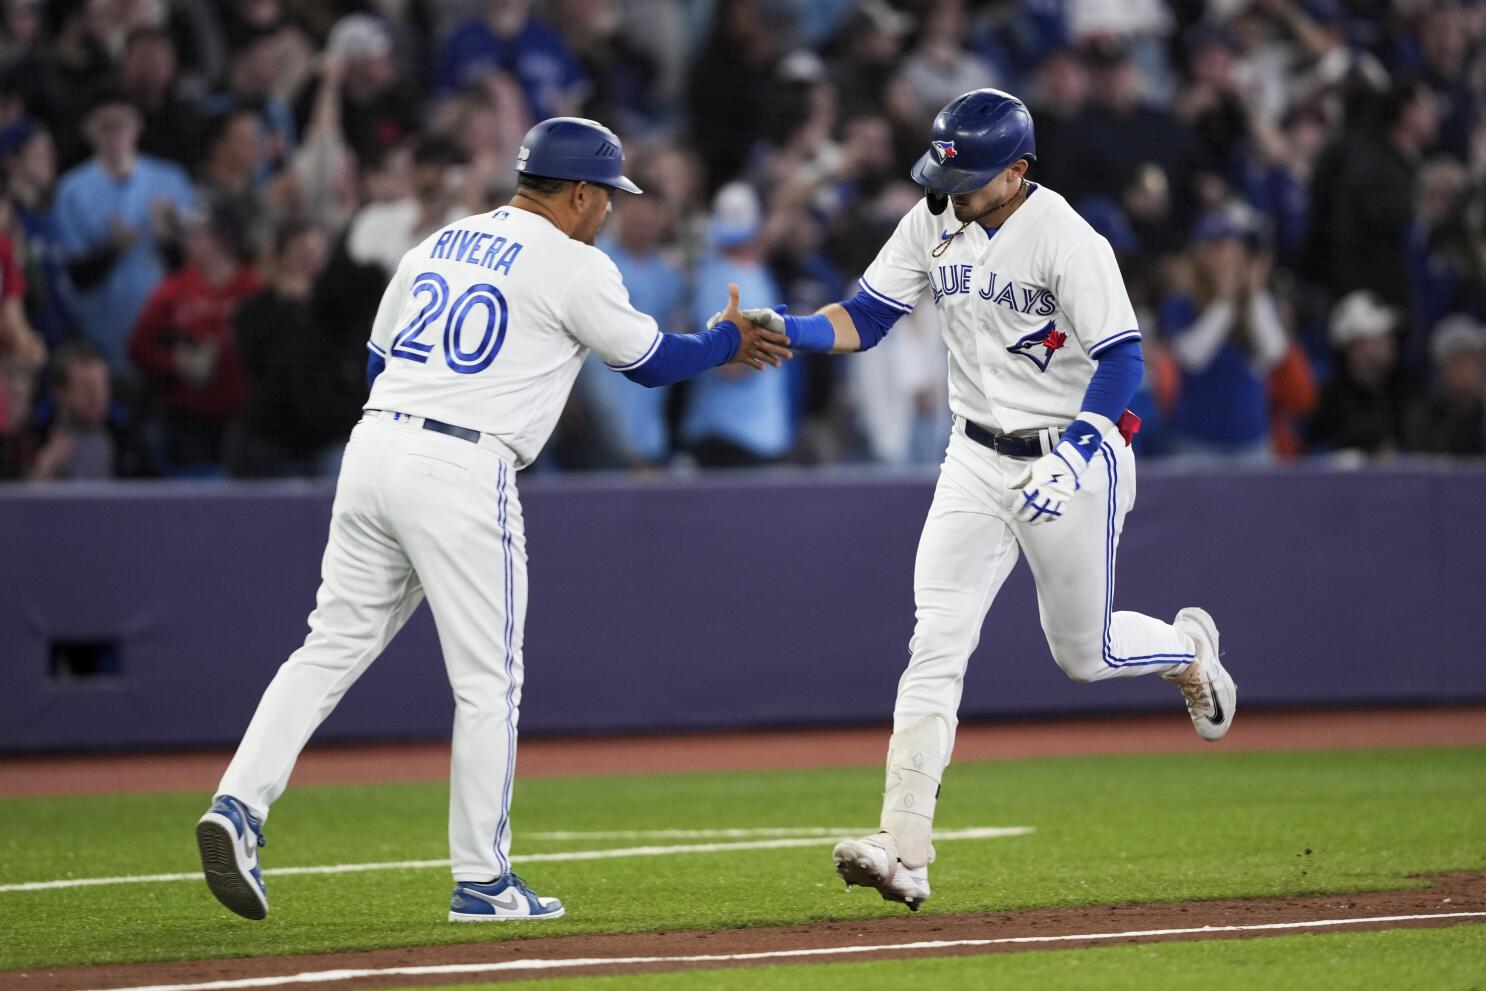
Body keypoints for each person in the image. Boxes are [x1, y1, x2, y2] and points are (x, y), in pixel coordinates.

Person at [194, 117, 790, 922]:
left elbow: (380, 360)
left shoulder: (437, 244)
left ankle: (238, 804)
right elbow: (651, 363)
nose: (610, 210)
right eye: (607, 196)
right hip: (463, 464)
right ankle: (482, 879)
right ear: (579, 192)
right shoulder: (574, 263)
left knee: (327, 646)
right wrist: (725, 339)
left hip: (375, 444)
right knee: (488, 682)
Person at [734, 89, 1235, 911]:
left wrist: (1077, 454)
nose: (950, 190)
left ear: (1020, 171)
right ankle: (904, 847)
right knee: (936, 641)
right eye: (945, 173)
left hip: (1071, 454)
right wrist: (792, 328)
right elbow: (867, 314)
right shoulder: (936, 216)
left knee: (1083, 653)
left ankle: (1186, 650)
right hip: (972, 456)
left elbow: (1121, 363)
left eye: (968, 176)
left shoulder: (1069, 237)